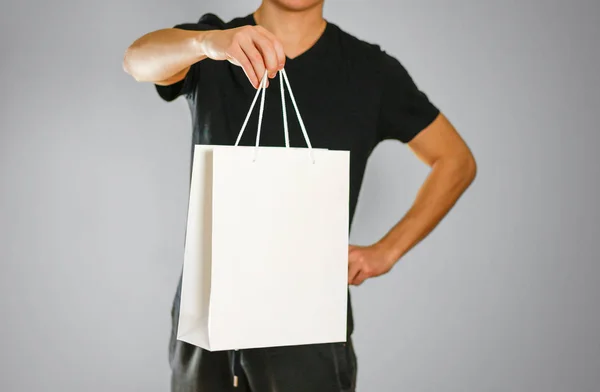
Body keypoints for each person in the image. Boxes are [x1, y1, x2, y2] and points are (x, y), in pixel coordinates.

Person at [123, 0, 476, 391]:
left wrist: (387, 250)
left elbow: (455, 160)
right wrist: (208, 43)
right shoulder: (218, 44)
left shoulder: (369, 70)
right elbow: (137, 60)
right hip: (209, 313)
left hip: (309, 328)